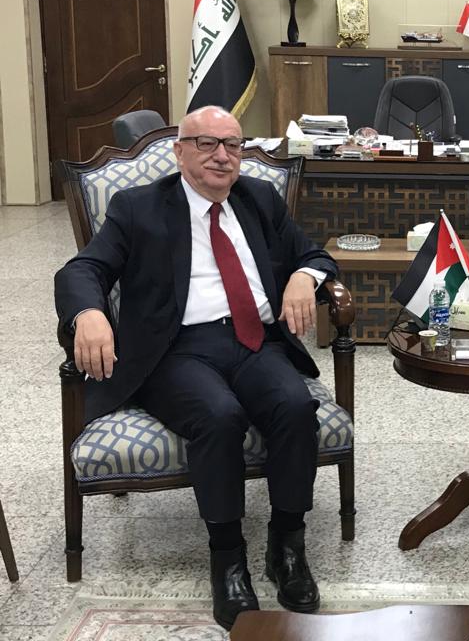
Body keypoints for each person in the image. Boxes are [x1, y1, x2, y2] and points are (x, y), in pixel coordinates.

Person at [54, 106, 337, 630]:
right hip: (175, 349)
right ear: (180, 151)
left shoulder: (259, 198)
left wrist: (305, 276)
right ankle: (227, 558)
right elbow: (83, 269)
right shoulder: (137, 206)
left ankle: (286, 545)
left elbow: (315, 254)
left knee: (296, 406)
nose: (222, 156)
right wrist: (88, 313)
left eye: (232, 145)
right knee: (218, 416)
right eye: (207, 144)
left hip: (255, 341)